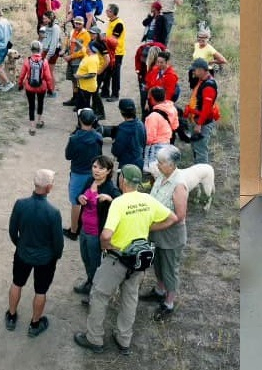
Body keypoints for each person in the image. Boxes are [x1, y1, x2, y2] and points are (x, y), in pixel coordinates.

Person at [73, 164, 178, 356]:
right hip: (138, 260)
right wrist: (149, 227)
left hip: (117, 258)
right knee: (130, 299)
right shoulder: (148, 200)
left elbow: (106, 235)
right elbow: (172, 218)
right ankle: (124, 340)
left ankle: (94, 338)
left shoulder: (119, 203)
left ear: (122, 181)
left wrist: (105, 246)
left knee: (99, 295)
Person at [6, 168, 64, 338]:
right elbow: (58, 242)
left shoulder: (20, 204)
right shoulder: (53, 213)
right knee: (40, 291)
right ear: (49, 188)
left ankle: (11, 316)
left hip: (23, 254)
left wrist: (20, 244)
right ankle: (35, 324)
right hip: (45, 259)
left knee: (17, 283)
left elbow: (12, 230)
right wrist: (56, 256)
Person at [142, 146, 190, 320]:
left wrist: (154, 226)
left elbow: (179, 215)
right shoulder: (161, 176)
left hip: (170, 234)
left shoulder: (179, 185)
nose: (157, 165)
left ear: (172, 164)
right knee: (158, 264)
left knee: (170, 268)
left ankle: (168, 303)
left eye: (161, 162)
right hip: (157, 230)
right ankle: (159, 290)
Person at [73, 155, 120, 301]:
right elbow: (78, 196)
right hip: (84, 229)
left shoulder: (110, 187)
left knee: (95, 262)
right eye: (95, 167)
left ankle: (94, 292)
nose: (97, 171)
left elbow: (120, 203)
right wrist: (80, 198)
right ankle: (89, 282)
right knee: (85, 258)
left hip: (96, 232)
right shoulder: (89, 180)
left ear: (108, 171)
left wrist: (110, 199)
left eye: (101, 168)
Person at [65, 108, 103, 239]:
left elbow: (68, 156)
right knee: (90, 200)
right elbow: (99, 155)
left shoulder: (74, 139)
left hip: (77, 173)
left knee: (76, 202)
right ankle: (87, 227)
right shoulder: (98, 137)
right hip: (93, 173)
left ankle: (74, 230)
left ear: (79, 120)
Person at [185, 58, 220, 164]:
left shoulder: (208, 86)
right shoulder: (203, 80)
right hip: (197, 119)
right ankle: (198, 171)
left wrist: (199, 124)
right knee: (196, 147)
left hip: (203, 123)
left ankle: (202, 176)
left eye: (195, 70)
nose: (193, 72)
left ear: (201, 70)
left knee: (201, 151)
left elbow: (206, 109)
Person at [17, 40, 53, 135]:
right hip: (42, 87)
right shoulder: (44, 61)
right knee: (40, 103)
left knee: (31, 105)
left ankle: (32, 127)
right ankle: (39, 121)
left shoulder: (27, 61)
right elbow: (48, 77)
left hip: (29, 87)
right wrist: (50, 89)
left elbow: (21, 75)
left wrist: (20, 84)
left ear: (31, 49)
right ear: (40, 49)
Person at [143, 86, 179, 171]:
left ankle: (155, 183)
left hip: (155, 147)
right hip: (167, 143)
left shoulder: (153, 116)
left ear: (152, 99)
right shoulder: (172, 109)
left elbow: (149, 138)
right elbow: (175, 126)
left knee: (154, 169)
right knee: (162, 169)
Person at [110, 99, 145, 173]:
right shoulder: (140, 124)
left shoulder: (122, 129)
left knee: (123, 184)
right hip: (139, 162)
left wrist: (114, 143)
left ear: (121, 112)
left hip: (126, 164)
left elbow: (117, 150)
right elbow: (144, 141)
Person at [62, 16, 90, 107]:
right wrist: (64, 50)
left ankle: (79, 102)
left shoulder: (86, 35)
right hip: (71, 61)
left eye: (79, 23)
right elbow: (68, 43)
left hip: (79, 61)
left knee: (79, 82)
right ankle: (74, 99)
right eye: (76, 23)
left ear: (83, 24)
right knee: (73, 81)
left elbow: (84, 50)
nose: (77, 25)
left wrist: (71, 56)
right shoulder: (72, 31)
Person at [75, 40, 106, 119]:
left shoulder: (92, 60)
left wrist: (80, 76)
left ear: (93, 49)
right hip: (83, 86)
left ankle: (87, 122)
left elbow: (92, 74)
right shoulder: (88, 54)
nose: (87, 48)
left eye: (88, 47)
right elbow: (83, 48)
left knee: (85, 107)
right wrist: (76, 41)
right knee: (82, 105)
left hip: (87, 88)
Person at [102, 4, 126, 102]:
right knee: (107, 72)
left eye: (107, 10)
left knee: (115, 74)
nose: (106, 12)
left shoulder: (118, 24)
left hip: (117, 53)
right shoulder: (111, 21)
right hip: (110, 51)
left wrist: (103, 39)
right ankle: (105, 91)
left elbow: (113, 39)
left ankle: (115, 94)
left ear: (112, 12)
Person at [39, 12, 63, 97]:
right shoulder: (45, 27)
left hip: (53, 52)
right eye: (43, 18)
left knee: (49, 72)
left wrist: (48, 57)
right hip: (45, 50)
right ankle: (45, 88)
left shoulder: (55, 28)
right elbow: (44, 40)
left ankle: (51, 91)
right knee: (44, 71)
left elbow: (53, 43)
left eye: (45, 18)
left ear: (50, 19)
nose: (43, 20)